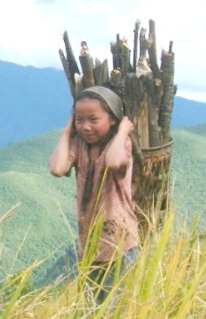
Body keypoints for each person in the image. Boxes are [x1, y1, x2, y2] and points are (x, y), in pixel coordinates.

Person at [49, 85, 140, 303]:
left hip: (120, 246)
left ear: (112, 119)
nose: (86, 127)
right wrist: (68, 131)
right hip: (90, 245)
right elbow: (57, 168)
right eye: (79, 120)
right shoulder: (79, 146)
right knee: (91, 310)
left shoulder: (121, 145)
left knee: (113, 311)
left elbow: (113, 162)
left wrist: (122, 132)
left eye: (94, 119)